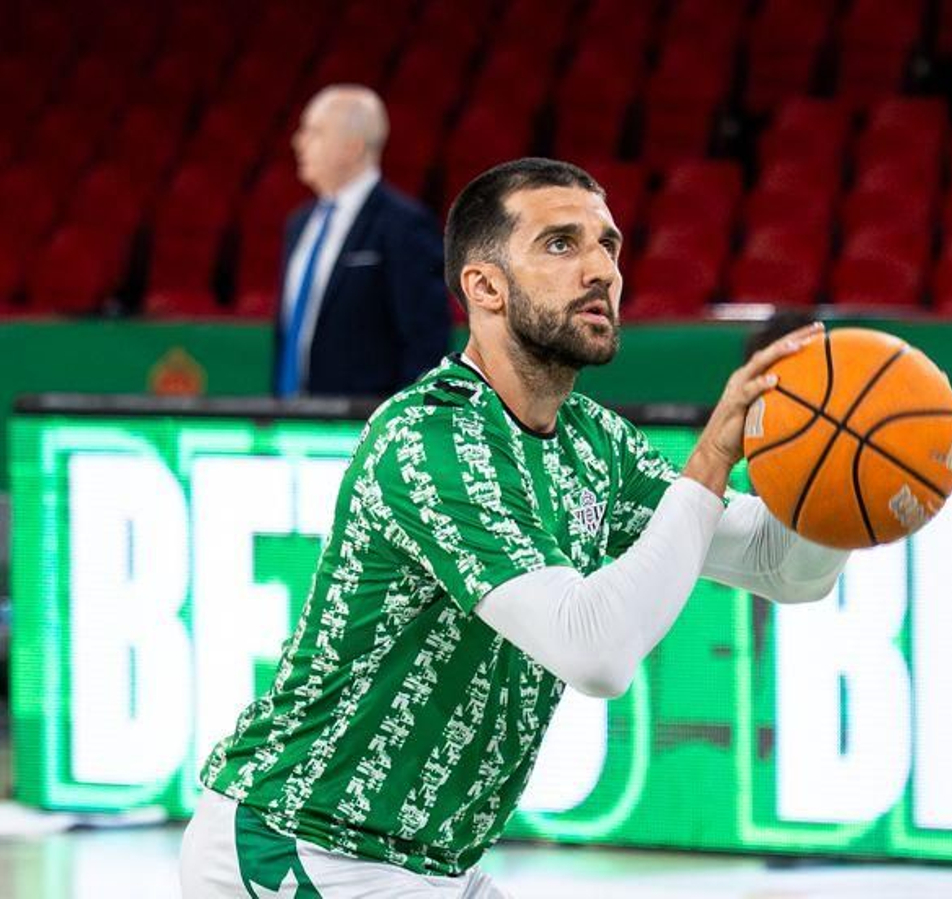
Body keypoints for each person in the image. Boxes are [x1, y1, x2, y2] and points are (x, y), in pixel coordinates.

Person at [181, 158, 849, 896]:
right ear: (485, 287)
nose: (599, 269)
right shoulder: (431, 439)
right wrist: (717, 454)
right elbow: (596, 651)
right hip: (299, 843)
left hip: (430, 865)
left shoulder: (595, 442)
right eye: (561, 244)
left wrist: (843, 478)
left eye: (609, 245)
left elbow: (784, 567)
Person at [275, 84, 452, 398]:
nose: (298, 143)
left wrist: (399, 427)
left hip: (364, 427)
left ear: (352, 147)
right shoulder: (299, 224)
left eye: (313, 132)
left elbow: (425, 342)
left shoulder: (404, 225)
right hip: (293, 424)